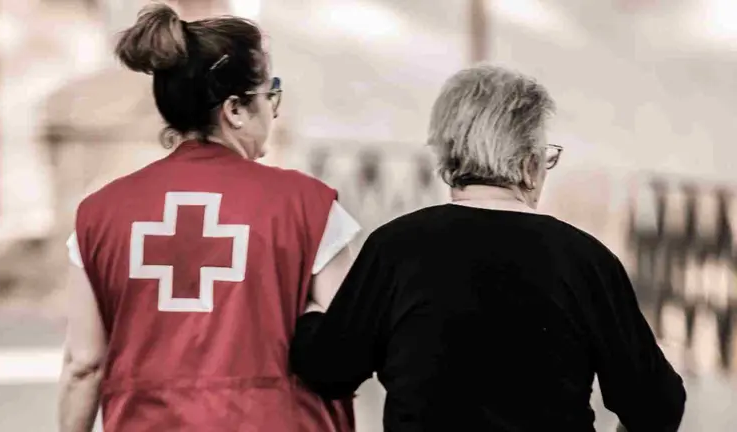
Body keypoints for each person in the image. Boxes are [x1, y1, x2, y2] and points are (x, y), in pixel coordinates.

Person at [289, 64, 687, 431]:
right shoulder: (587, 260)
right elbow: (657, 407)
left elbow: (328, 369)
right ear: (530, 164)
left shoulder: (395, 248)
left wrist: (310, 310)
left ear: (447, 158)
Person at [57, 4, 361, 431]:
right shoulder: (307, 205)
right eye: (269, 96)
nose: (273, 113)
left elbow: (85, 363)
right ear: (235, 108)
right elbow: (346, 343)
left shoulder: (98, 214)